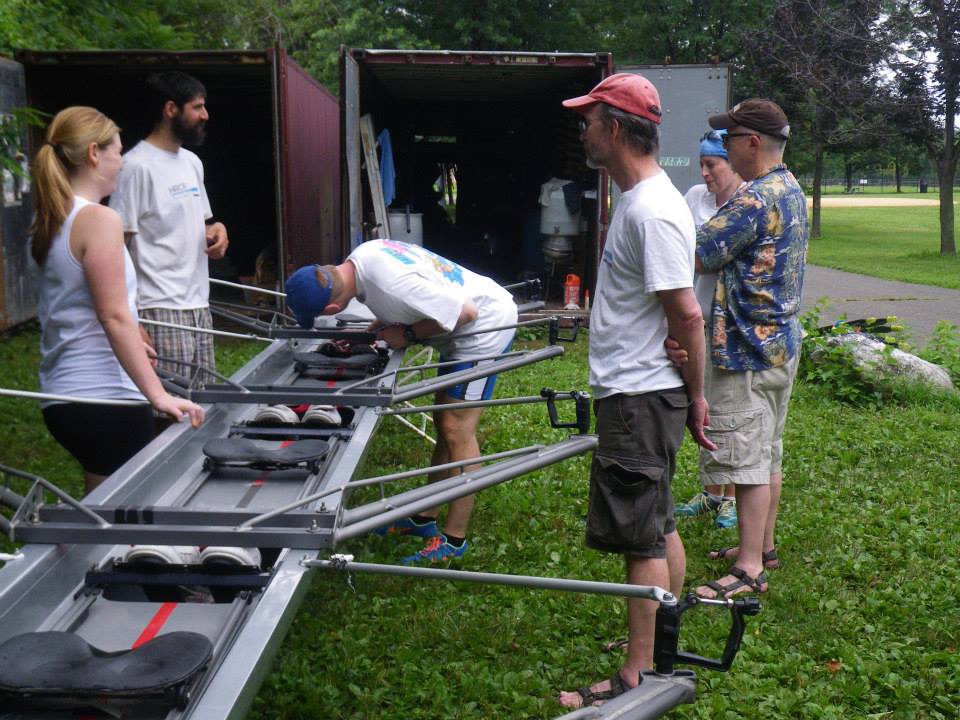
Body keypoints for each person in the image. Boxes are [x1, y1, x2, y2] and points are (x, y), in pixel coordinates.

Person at [555, 73, 715, 709]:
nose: (583, 130)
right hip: (642, 388)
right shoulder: (639, 200)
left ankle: (637, 676)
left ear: (616, 128)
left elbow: (688, 314)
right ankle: (664, 645)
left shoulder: (652, 211)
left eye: (589, 120)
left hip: (641, 395)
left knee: (640, 537)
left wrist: (696, 394)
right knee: (660, 520)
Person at [284, 239, 517, 564]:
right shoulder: (362, 258)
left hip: (484, 328)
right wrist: (380, 326)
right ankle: (425, 517)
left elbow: (466, 312)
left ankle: (454, 539)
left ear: (331, 310)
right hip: (461, 329)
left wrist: (408, 335)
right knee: (444, 418)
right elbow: (412, 291)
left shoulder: (388, 284)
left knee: (457, 428)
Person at [30, 106, 205, 495]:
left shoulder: (51, 220)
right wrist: (157, 394)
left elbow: (89, 305)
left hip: (64, 397)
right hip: (106, 398)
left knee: (101, 514)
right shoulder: (98, 219)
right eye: (117, 151)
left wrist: (137, 337)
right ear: (94, 153)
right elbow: (112, 315)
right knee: (128, 523)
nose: (121, 162)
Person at [687, 99, 808, 598]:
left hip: (745, 351)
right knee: (770, 451)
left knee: (747, 459)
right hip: (781, 344)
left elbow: (695, 253)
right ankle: (764, 545)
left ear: (752, 143)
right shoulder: (791, 186)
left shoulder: (752, 200)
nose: (723, 145)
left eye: (729, 137)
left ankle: (749, 568)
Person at [109, 71, 228, 387]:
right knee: (168, 411)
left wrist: (217, 230)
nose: (205, 115)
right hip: (159, 309)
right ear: (171, 109)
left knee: (204, 403)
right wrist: (131, 319)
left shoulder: (191, 162)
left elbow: (199, 224)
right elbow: (113, 247)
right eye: (198, 107)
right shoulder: (135, 167)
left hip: (198, 304)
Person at [674, 129, 744, 530]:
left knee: (730, 411)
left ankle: (732, 497)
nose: (704, 173)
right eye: (701, 164)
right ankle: (711, 492)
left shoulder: (743, 204)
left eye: (711, 165)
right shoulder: (694, 199)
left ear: (730, 164)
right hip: (695, 319)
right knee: (702, 408)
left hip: (729, 325)